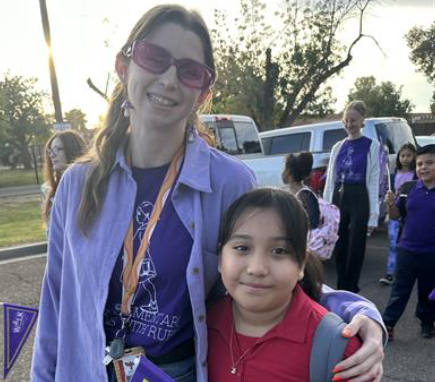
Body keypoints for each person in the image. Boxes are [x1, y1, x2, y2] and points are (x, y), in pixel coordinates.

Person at [31, 5, 385, 382]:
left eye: (189, 71)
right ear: (123, 66)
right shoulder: (77, 185)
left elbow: (271, 272)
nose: (169, 79)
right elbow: (55, 304)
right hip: (85, 371)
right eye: (155, 57)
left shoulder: (230, 183)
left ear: (203, 92)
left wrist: (361, 312)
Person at [208, 188, 371, 382]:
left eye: (279, 251)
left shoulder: (339, 349)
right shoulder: (201, 325)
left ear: (301, 263)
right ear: (220, 258)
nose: (257, 268)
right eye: (242, 248)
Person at [323, 100, 381, 293]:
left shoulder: (371, 145)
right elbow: (330, 180)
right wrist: (327, 208)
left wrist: (373, 214)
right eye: (346, 120)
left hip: (359, 196)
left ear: (362, 120)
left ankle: (351, 286)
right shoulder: (337, 147)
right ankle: (341, 284)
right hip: (340, 195)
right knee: (340, 242)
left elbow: (373, 180)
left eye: (353, 120)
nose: (349, 124)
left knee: (356, 244)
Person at [382, 144, 435, 340]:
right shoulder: (407, 188)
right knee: (399, 290)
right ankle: (388, 323)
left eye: (429, 163)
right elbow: (396, 216)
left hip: (431, 252)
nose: (423, 167)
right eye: (420, 164)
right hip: (407, 250)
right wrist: (389, 204)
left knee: (428, 290)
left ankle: (427, 321)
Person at [378, 143, 416, 285]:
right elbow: (386, 192)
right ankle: (390, 273)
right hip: (394, 213)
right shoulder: (393, 175)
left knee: (407, 244)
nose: (405, 158)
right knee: (393, 244)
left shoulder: (416, 175)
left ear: (414, 157)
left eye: (409, 155)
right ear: (398, 157)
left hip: (410, 215)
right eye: (402, 155)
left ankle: (406, 272)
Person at [41, 129, 87, 223]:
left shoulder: (88, 185)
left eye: (58, 149)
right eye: (50, 151)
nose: (52, 155)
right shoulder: (48, 189)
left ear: (72, 150)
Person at [282, 152, 320, 229]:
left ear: (289, 171)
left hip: (304, 239)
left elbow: (313, 223)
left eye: (284, 168)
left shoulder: (305, 195)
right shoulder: (293, 192)